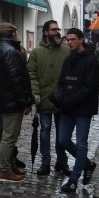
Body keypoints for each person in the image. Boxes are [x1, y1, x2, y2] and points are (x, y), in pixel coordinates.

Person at [50, 28, 99, 193]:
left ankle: (74, 179)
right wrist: (59, 97)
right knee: (63, 140)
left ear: (81, 40)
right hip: (67, 108)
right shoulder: (68, 59)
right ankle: (87, 164)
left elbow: (89, 88)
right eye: (68, 39)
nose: (69, 42)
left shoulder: (91, 61)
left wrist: (68, 100)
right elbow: (62, 83)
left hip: (83, 109)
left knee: (81, 143)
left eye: (72, 39)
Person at [0, 22, 34, 183]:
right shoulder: (10, 51)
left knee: (6, 135)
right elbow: (17, 80)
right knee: (9, 137)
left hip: (1, 99)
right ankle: (4, 170)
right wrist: (26, 101)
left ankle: (8, 166)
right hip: (11, 101)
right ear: (13, 34)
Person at [27, 20, 70, 177]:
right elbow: (31, 74)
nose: (57, 32)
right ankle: (45, 163)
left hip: (62, 99)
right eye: (54, 29)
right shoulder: (37, 52)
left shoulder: (66, 51)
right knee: (45, 130)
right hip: (44, 99)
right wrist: (35, 93)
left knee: (62, 133)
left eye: (58, 29)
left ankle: (62, 162)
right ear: (45, 32)